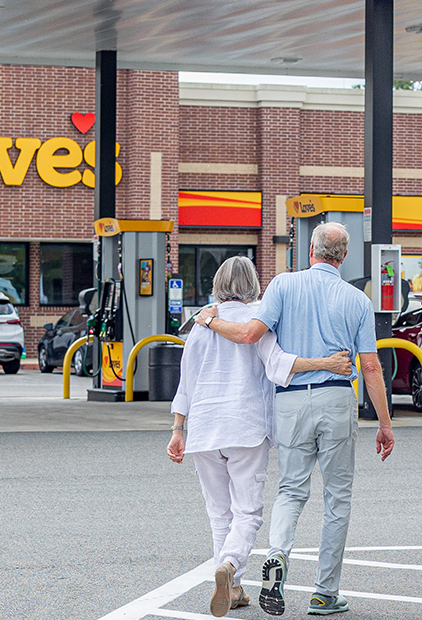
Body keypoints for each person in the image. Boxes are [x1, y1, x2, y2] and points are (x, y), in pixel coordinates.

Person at [196, 222, 396, 616]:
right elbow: (371, 367)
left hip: (289, 401)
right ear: (344, 256)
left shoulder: (283, 286)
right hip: (337, 399)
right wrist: (385, 424)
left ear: (311, 251)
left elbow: (251, 334)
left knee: (290, 490)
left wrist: (210, 320)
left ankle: (277, 554)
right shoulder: (357, 300)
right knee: (337, 497)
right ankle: (324, 592)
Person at [169, 256, 353, 617]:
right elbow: (280, 364)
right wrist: (327, 364)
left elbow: (185, 384)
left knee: (219, 512)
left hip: (204, 429)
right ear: (254, 285)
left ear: (217, 284)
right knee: (248, 512)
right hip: (245, 425)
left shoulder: (200, 324)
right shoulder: (258, 322)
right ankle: (230, 566)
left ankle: (233, 587)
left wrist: (178, 429)